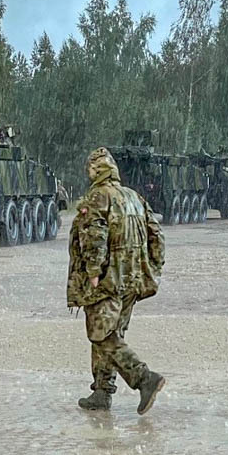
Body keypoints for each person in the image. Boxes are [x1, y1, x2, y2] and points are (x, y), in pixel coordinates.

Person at [67, 147, 167, 414]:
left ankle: (144, 379)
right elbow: (157, 234)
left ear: (94, 170)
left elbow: (94, 236)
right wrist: (151, 268)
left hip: (107, 279)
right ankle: (101, 392)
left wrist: (93, 272)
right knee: (113, 334)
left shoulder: (99, 196)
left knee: (101, 335)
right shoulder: (134, 197)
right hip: (131, 279)